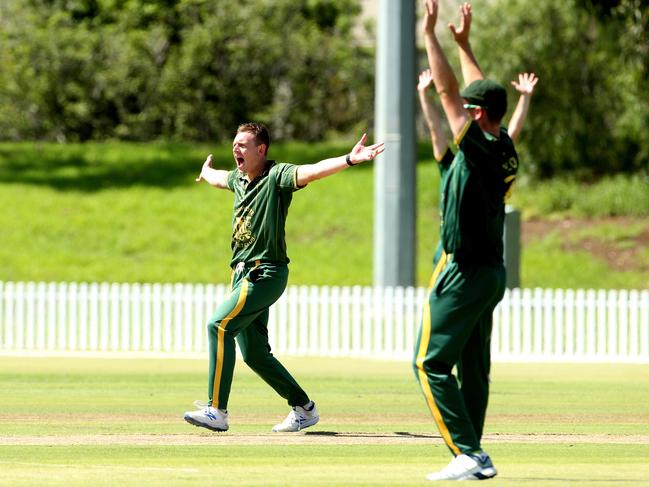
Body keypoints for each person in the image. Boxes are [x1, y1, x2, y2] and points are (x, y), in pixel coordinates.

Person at [183, 122, 384, 433]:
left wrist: (348, 159)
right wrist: (206, 172)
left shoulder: (276, 176)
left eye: (243, 145)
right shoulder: (239, 179)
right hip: (242, 275)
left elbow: (313, 170)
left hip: (265, 272)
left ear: (261, 149)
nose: (236, 149)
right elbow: (219, 178)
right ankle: (303, 408)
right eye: (234, 144)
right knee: (255, 354)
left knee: (218, 326)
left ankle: (216, 410)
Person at [413, 0, 521, 480]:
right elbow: (481, 93)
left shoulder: (477, 149)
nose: (464, 111)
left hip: (464, 270)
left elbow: (447, 90)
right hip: (492, 272)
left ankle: (468, 452)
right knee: (474, 368)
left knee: (429, 364)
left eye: (469, 110)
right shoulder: (503, 144)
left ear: (476, 117)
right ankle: (474, 454)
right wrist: (465, 45)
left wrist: (432, 36)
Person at [418, 66, 538, 270]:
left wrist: (424, 95)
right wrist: (525, 98)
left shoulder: (478, 162)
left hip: (460, 260)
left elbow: (436, 131)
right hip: (480, 259)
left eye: (467, 111)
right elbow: (435, 132)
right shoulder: (466, 163)